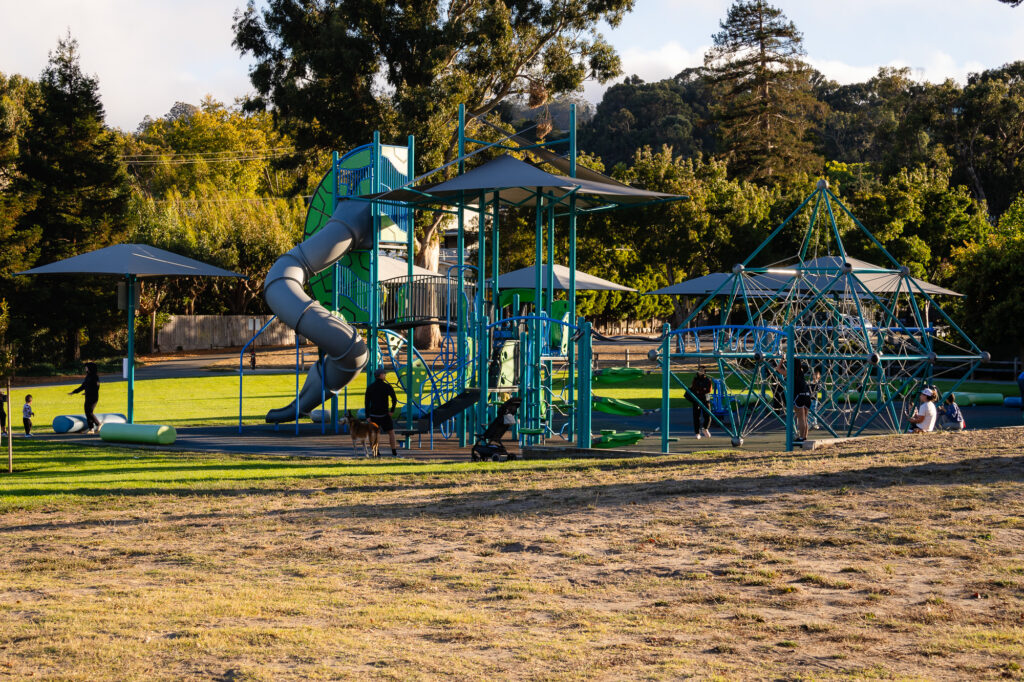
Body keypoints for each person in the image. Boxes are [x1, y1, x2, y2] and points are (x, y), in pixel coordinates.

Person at [365, 367, 399, 457]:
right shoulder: (387, 386)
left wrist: (367, 415)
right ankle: (394, 451)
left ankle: (376, 451)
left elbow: (367, 402)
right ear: (381, 375)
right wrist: (392, 410)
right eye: (384, 374)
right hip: (384, 414)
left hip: (373, 414)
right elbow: (394, 399)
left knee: (374, 433)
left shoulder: (370, 387)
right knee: (391, 432)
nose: (385, 375)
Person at [70, 362, 101, 434]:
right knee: (87, 412)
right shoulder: (88, 376)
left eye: (86, 367)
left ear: (90, 368)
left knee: (90, 412)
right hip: (88, 396)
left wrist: (88, 392)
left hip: (93, 397)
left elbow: (96, 387)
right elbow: (83, 386)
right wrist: (74, 392)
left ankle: (98, 424)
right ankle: (91, 429)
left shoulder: (95, 376)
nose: (85, 368)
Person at [689, 365, 712, 439]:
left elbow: (708, 390)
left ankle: (705, 428)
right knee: (696, 417)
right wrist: (701, 390)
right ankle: (697, 433)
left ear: (705, 372)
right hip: (697, 399)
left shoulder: (708, 380)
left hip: (705, 399)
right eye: (699, 370)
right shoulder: (695, 379)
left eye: (702, 370)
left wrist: (699, 390)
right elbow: (693, 388)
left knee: (708, 416)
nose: (700, 372)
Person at [793, 361, 813, 444]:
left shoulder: (791, 372)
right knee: (805, 418)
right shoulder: (801, 372)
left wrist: (782, 361)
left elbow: (778, 369)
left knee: (801, 418)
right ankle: (804, 437)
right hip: (807, 396)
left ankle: (801, 437)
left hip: (799, 396)